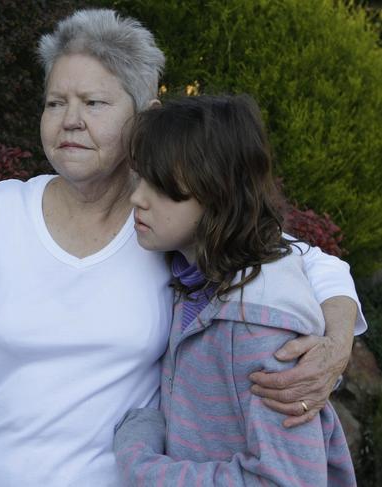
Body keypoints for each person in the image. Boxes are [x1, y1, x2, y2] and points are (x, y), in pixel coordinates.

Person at [0, 9, 364, 486]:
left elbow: (309, 267)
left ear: (143, 114)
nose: (70, 120)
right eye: (55, 102)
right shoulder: (2, 214)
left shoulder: (169, 221)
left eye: (94, 102)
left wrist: (335, 343)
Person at [113, 95, 356, 486]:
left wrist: (141, 459)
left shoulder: (256, 328)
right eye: (139, 178)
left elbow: (288, 479)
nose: (136, 198)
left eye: (160, 186)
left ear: (216, 192)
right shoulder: (196, 276)